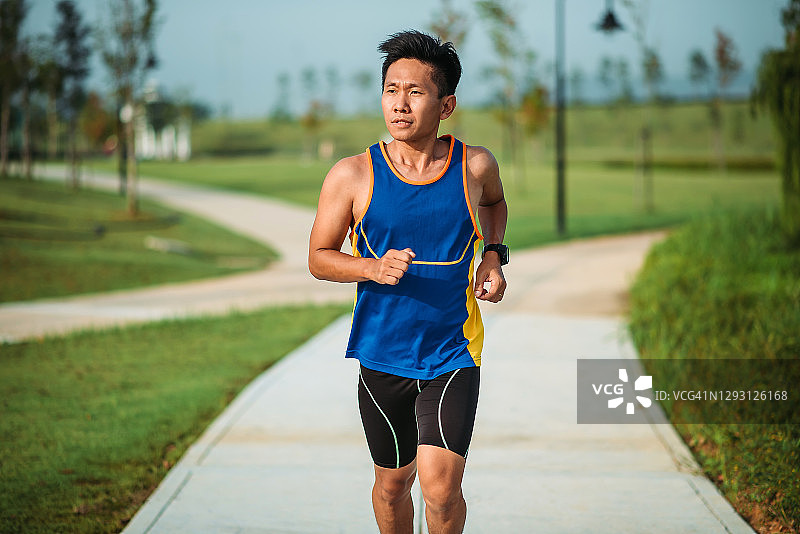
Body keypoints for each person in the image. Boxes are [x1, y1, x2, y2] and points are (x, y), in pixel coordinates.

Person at [308, 29, 508, 534]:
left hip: (453, 350)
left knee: (441, 488)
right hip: (382, 354)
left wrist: (493, 254)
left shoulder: (475, 165)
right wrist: (370, 267)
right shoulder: (352, 175)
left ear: (446, 105)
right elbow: (318, 258)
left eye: (415, 92)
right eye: (391, 90)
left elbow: (494, 203)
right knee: (393, 485)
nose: (399, 104)